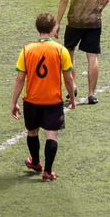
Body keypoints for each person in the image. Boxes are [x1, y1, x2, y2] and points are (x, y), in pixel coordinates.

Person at [10, 13, 77, 182]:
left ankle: (36, 163)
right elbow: (68, 78)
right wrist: (72, 98)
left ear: (37, 28)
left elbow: (20, 79)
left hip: (32, 99)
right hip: (53, 100)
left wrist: (13, 102)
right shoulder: (61, 50)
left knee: (32, 132)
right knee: (51, 135)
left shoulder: (27, 50)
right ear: (53, 28)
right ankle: (47, 172)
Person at [56, 0, 110, 105]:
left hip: (74, 20)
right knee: (92, 57)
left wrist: (57, 22)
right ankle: (91, 94)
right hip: (94, 21)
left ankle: (72, 87)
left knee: (70, 53)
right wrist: (97, 10)